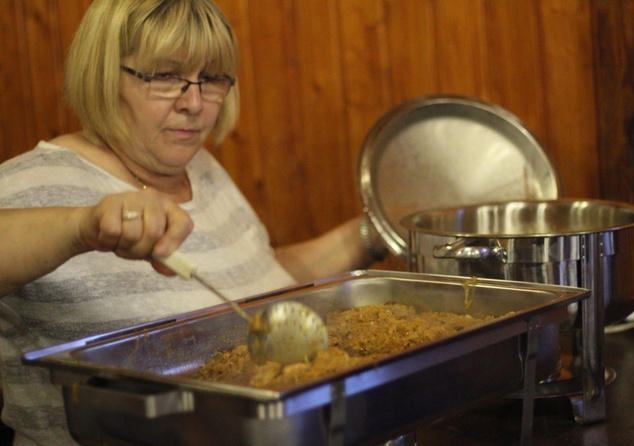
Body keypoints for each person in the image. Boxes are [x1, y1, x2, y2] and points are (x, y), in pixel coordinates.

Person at [0, 1, 386, 444]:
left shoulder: (203, 170)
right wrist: (81, 226)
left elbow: (261, 277)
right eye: (164, 76)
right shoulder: (31, 184)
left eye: (212, 78)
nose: (195, 103)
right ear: (105, 73)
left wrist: (375, 232)